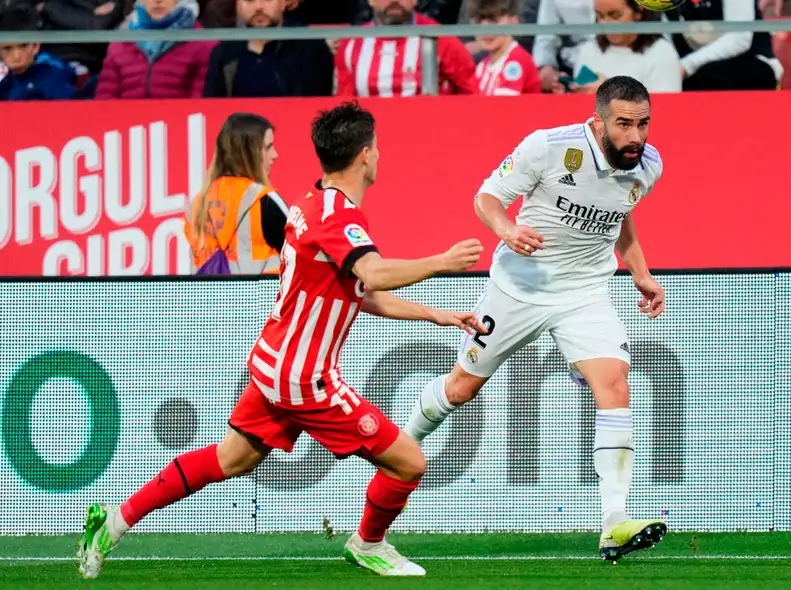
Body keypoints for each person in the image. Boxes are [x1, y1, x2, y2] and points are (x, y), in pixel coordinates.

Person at [76, 102, 487, 579]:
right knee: (409, 462)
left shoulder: (309, 203)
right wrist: (441, 261)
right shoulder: (338, 218)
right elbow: (373, 271)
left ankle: (116, 523)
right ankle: (368, 543)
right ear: (366, 156)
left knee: (232, 458)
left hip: (273, 361)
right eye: (377, 149)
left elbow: (358, 289)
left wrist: (434, 314)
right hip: (303, 379)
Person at [402, 76, 667, 563]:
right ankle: (402, 446)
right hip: (518, 288)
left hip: (585, 292)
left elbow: (621, 215)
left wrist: (642, 273)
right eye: (624, 124)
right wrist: (507, 227)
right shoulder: (547, 147)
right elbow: (486, 197)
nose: (636, 136)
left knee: (616, 384)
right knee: (461, 390)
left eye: (643, 124)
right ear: (598, 121)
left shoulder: (648, 167)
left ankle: (613, 522)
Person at [184, 112, 287, 275]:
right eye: (268, 147)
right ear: (248, 153)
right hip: (261, 298)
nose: (275, 155)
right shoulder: (263, 200)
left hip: (210, 299)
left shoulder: (197, 204)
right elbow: (302, 255)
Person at [335, 0, 478, 97]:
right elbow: (344, 105)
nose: (395, 1)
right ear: (370, 1)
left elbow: (472, 92)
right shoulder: (352, 44)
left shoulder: (440, 39)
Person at [201, 0, 334, 98]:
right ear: (238, 6)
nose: (258, 7)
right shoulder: (224, 53)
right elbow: (211, 107)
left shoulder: (311, 47)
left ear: (283, 3)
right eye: (249, 1)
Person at [95, 0, 215, 99]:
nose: (158, 1)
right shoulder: (121, 42)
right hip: (127, 124)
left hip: (179, 123)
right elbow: (105, 99)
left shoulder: (201, 44)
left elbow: (199, 104)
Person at [664, 0, 783, 91]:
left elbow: (739, 39)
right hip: (690, 73)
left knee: (709, 77)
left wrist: (686, 66)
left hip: (750, 63)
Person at [571, 0, 681, 94]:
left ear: (638, 12)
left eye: (615, 15)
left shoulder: (661, 53)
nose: (605, 23)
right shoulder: (589, 49)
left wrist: (609, 92)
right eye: (599, 15)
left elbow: (665, 108)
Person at [0, 6, 78, 101]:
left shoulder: (54, 77)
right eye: (7, 48)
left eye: (23, 46)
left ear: (35, 46)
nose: (16, 56)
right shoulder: (5, 82)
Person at [468, 0, 541, 96]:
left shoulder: (518, 61)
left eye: (494, 21)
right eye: (478, 21)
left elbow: (503, 108)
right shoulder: (482, 66)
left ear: (514, 22)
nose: (485, 30)